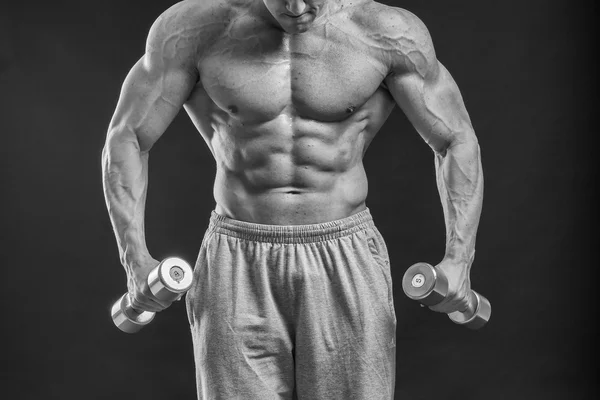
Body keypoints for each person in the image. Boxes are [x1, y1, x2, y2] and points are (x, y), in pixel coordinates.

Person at [101, 0, 483, 398]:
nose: (298, 7)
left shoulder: (386, 32)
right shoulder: (194, 30)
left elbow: (456, 140)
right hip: (237, 258)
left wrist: (459, 259)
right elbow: (127, 137)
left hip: (345, 254)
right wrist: (134, 259)